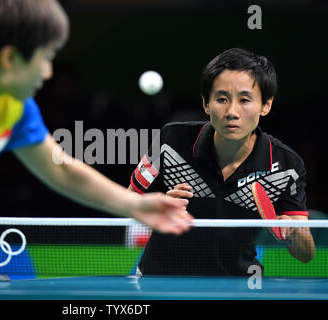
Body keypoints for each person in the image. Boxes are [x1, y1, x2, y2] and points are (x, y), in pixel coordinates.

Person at [0, 0, 192, 300]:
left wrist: (133, 206)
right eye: (46, 57)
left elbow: (59, 169)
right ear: (10, 59)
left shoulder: (12, 108)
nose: (47, 73)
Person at [128, 48, 315, 276]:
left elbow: (306, 255)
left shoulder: (287, 166)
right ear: (206, 104)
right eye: (222, 99)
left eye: (245, 100)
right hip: (161, 278)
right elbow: (128, 201)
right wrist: (157, 206)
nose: (232, 112)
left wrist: (293, 232)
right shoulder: (171, 141)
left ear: (266, 105)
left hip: (238, 284)